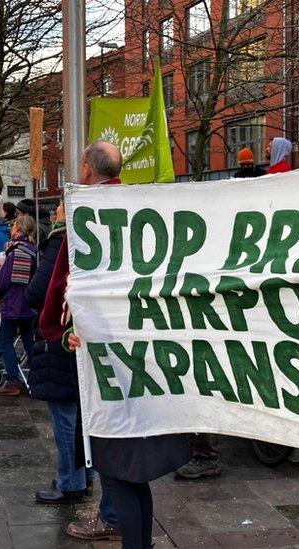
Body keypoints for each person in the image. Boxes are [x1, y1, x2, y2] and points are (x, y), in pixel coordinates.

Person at [52, 142, 189, 546]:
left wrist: (64, 332)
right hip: (148, 367)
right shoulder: (143, 209)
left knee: (117, 473)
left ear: (86, 168)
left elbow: (63, 294)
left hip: (110, 374)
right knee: (137, 472)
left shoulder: (85, 222)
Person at [27, 199, 92, 505]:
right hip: (81, 337)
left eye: (61, 208)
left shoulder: (58, 244)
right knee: (81, 415)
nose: (55, 213)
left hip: (60, 339)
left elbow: (37, 293)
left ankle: (71, 483)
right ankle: (86, 475)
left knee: (65, 415)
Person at [0, 215, 37, 397]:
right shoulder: (32, 249)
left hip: (14, 304)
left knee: (5, 340)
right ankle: (37, 379)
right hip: (28, 304)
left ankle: (12, 381)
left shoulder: (16, 251)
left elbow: (6, 280)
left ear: (18, 229)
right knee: (29, 341)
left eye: (14, 224)